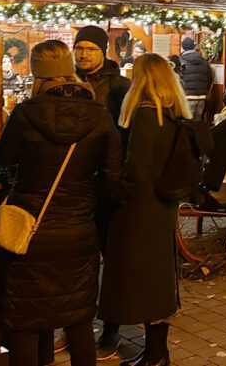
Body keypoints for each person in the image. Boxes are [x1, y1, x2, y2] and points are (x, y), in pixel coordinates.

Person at [0, 40, 124, 366]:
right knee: (77, 317)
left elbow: (1, 163)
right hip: (78, 228)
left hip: (29, 229)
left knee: (25, 316)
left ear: (38, 74)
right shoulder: (99, 115)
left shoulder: (25, 113)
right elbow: (113, 175)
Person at [100, 54, 212, 366]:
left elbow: (137, 171)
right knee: (158, 279)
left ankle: (156, 354)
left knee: (144, 281)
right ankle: (155, 352)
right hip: (162, 207)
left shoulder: (147, 114)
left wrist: (113, 195)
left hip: (140, 211)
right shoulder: (171, 112)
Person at [71, 25, 131, 358]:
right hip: (74, 183)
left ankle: (111, 328)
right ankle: (76, 323)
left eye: (90, 49)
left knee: (111, 256)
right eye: (78, 48)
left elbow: (127, 132)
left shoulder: (120, 86)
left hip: (107, 182)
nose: (83, 55)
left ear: (102, 52)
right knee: (79, 258)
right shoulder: (65, 84)